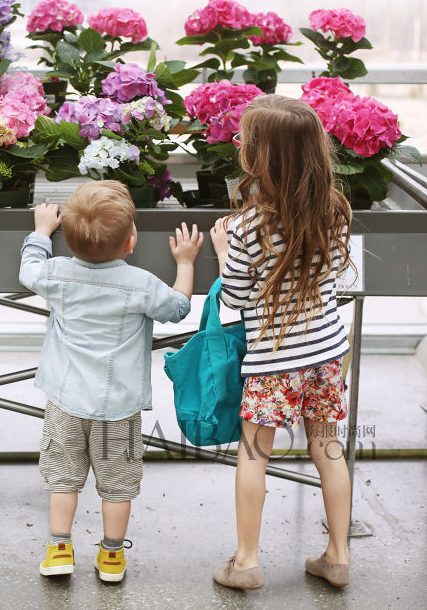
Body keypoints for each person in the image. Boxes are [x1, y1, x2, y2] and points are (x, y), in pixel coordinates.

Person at [19, 180, 203, 582]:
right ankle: (112, 557)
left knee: (64, 479)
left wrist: (40, 231)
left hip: (65, 401)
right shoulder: (140, 284)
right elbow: (177, 308)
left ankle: (58, 549)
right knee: (117, 485)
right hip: (118, 408)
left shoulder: (56, 273)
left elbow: (28, 270)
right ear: (131, 241)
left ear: (69, 237)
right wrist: (186, 263)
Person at [210, 94, 355, 590]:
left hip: (275, 360)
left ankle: (246, 563)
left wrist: (225, 251)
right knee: (328, 449)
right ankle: (338, 556)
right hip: (326, 353)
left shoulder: (249, 225)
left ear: (259, 156)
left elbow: (235, 297)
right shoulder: (334, 210)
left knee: (254, 455)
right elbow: (333, 273)